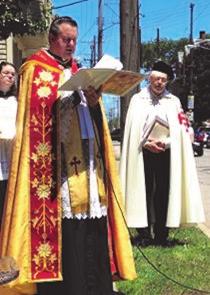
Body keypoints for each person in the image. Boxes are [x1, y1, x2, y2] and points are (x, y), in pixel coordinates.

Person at [0, 16, 136, 295]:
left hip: (88, 161)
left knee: (93, 224)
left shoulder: (77, 69)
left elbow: (89, 115)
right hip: (57, 168)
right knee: (69, 230)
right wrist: (74, 97)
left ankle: (96, 285)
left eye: (74, 39)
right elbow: (39, 113)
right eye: (66, 39)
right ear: (52, 39)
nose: (72, 44)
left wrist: (95, 101)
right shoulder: (34, 68)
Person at [120, 60, 205, 247]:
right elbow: (132, 131)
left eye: (163, 80)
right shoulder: (138, 100)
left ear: (167, 82)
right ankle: (143, 233)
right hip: (142, 154)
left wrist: (165, 142)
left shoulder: (174, 102)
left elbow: (183, 130)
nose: (159, 83)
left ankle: (161, 234)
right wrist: (146, 142)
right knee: (144, 191)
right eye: (156, 79)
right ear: (149, 79)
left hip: (167, 154)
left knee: (164, 193)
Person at [0, 62, 17, 225]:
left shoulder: (17, 99)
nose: (10, 76)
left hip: (11, 150)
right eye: (6, 73)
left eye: (12, 74)